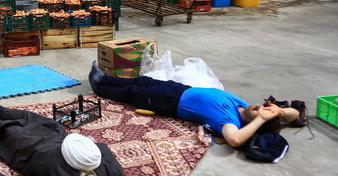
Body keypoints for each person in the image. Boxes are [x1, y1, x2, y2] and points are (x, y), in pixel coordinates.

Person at [88, 62, 300, 147]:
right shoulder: (243, 107)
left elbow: (234, 140)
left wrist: (262, 119)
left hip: (171, 102)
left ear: (257, 122)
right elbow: (292, 114)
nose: (261, 107)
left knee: (132, 92)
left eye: (262, 112)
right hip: (180, 89)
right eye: (265, 107)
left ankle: (99, 87)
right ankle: (105, 78)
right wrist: (280, 112)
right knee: (142, 81)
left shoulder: (231, 122)